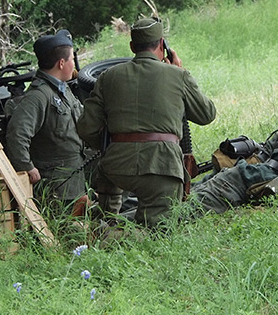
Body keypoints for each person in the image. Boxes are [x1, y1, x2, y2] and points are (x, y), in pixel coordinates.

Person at [76, 17, 217, 227]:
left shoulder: (107, 77)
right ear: (162, 45)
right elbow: (206, 115)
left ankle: (102, 225)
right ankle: (105, 235)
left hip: (116, 167)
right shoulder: (178, 75)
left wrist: (112, 146)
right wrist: (180, 73)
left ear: (132, 46)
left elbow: (86, 128)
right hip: (160, 168)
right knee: (157, 233)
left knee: (109, 209)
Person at [5, 29, 88, 213]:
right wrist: (26, 166)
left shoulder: (63, 90)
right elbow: (17, 134)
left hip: (74, 181)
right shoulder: (38, 96)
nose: (74, 64)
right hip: (56, 187)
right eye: (72, 60)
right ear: (61, 63)